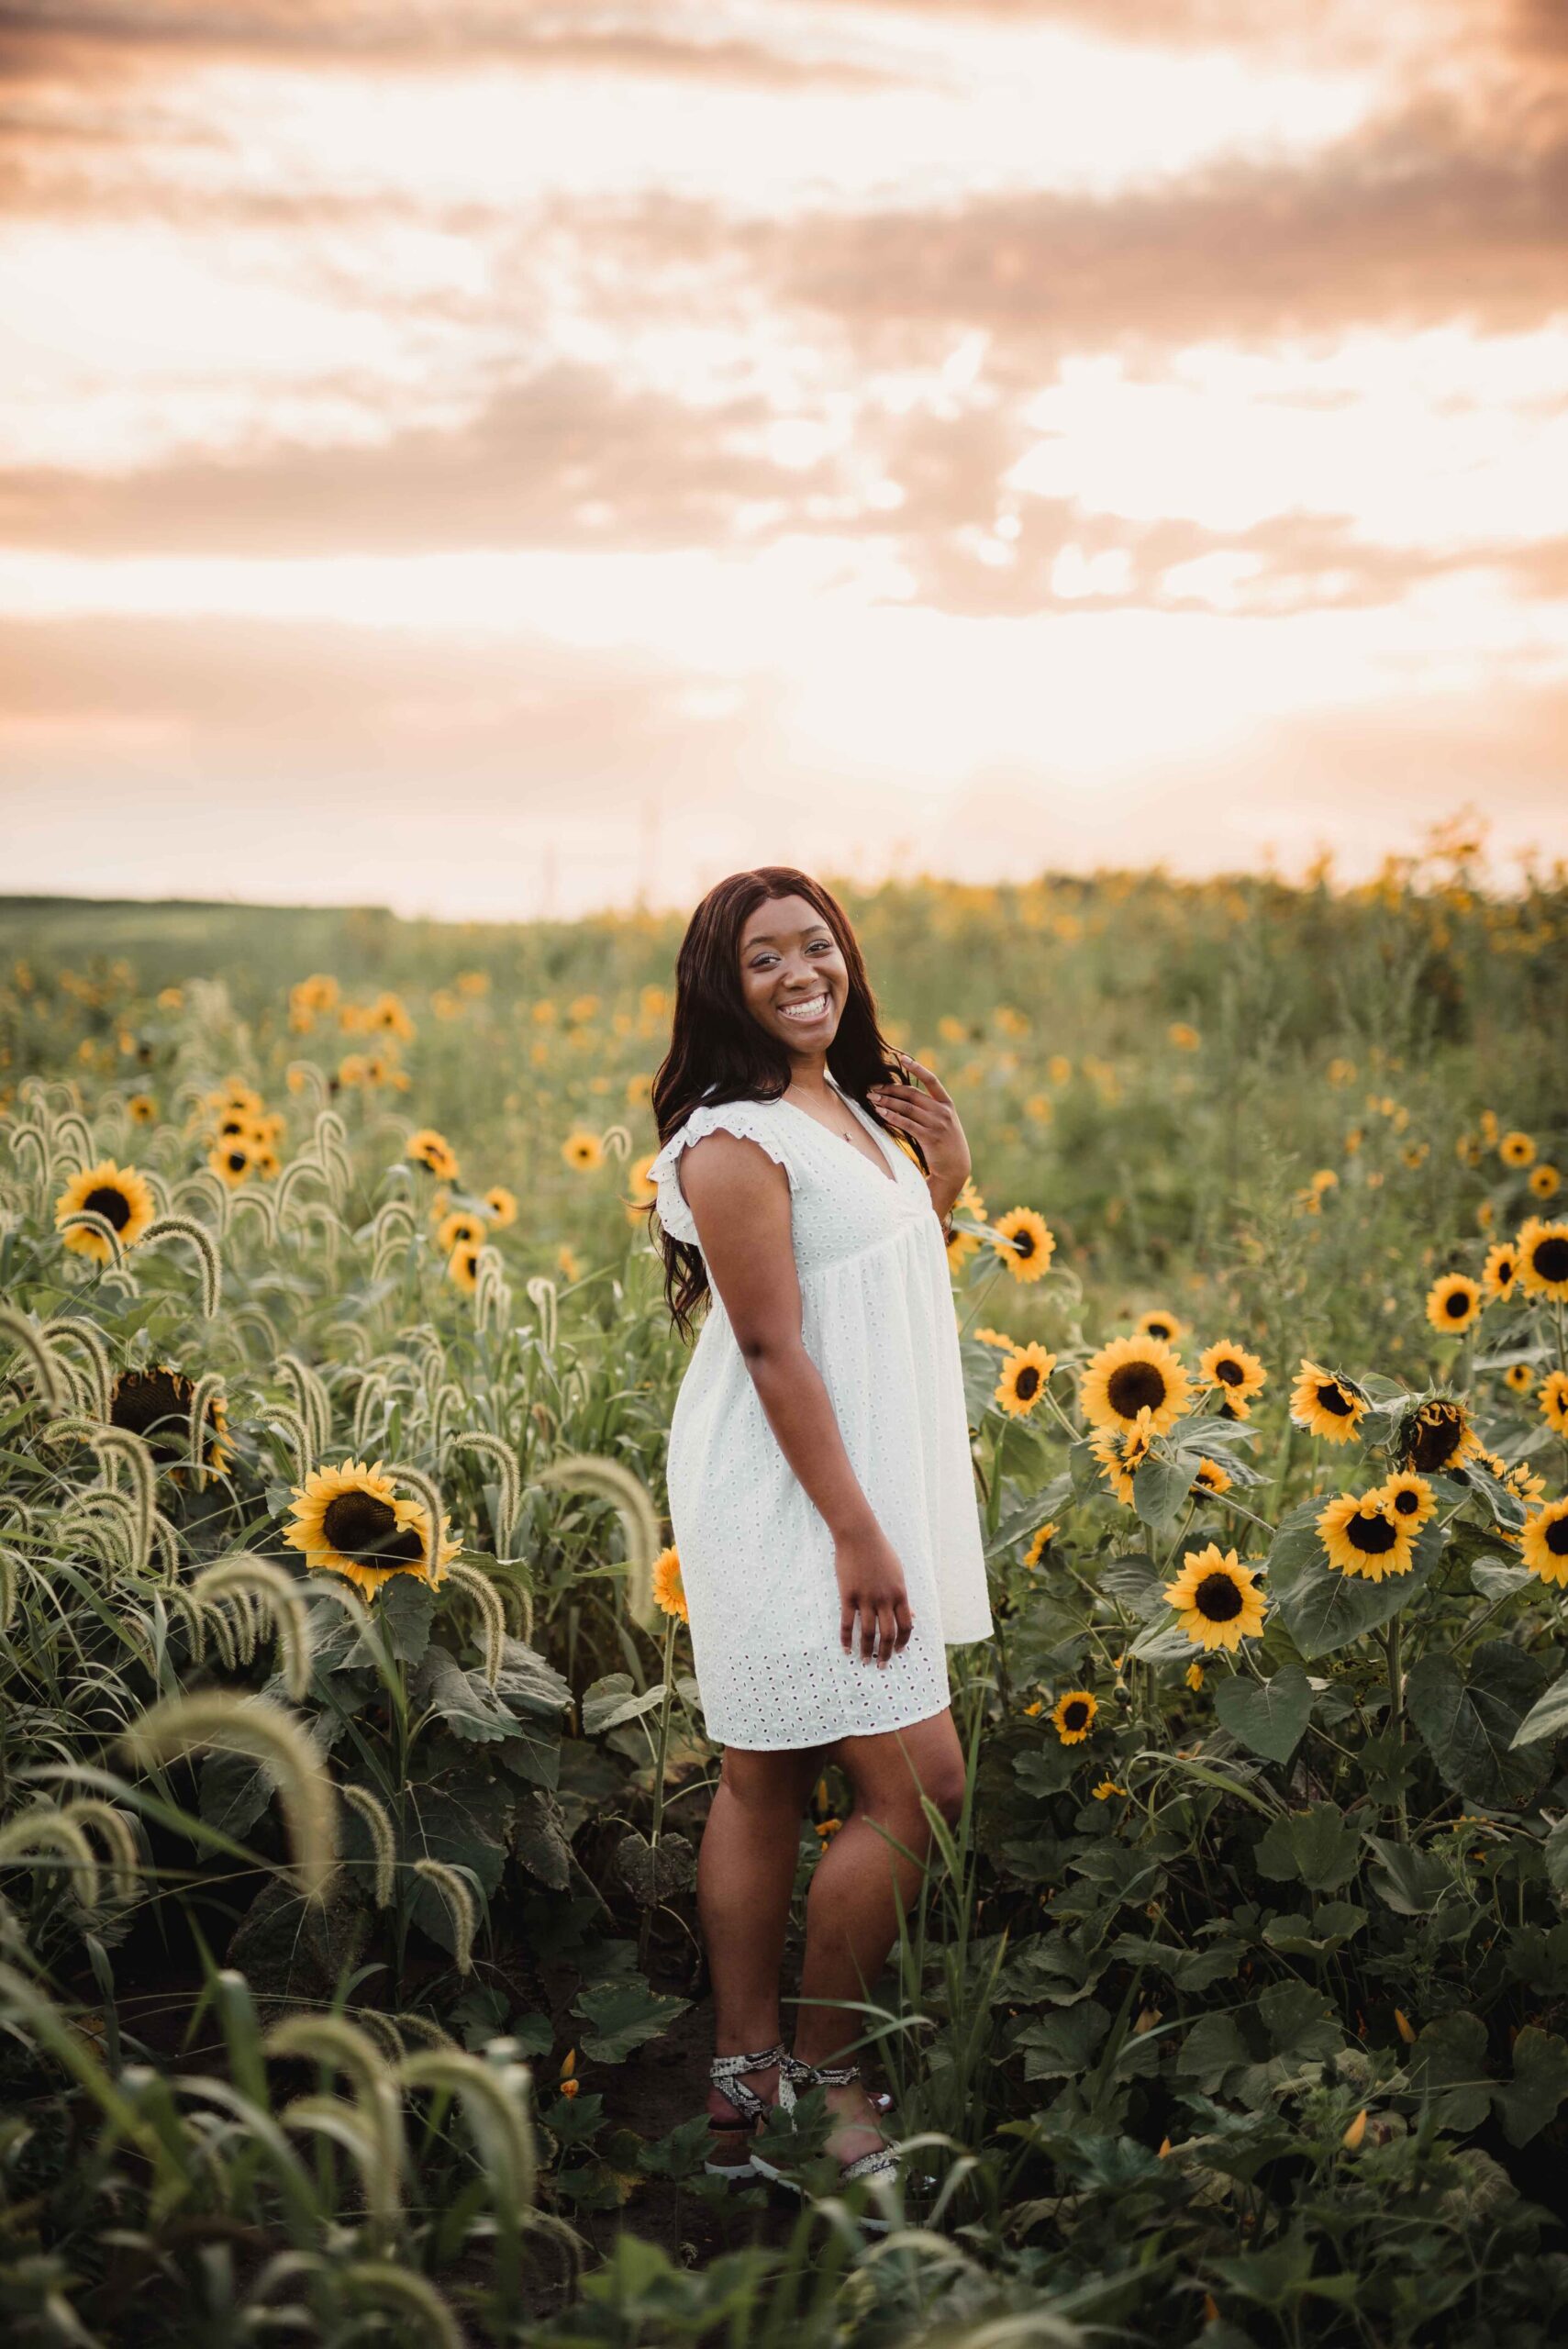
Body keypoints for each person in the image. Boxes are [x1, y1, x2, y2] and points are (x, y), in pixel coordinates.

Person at [644, 865, 995, 2210]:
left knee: (772, 1778)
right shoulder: (732, 1138)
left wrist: (946, 1181)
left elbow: (870, 1292)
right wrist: (855, 1534)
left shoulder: (848, 1106)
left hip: (854, 1485)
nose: (802, 974)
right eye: (764, 961)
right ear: (720, 990)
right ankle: (814, 2075)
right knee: (913, 1786)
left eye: (817, 946)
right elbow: (775, 1348)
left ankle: (751, 2086)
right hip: (788, 1495)